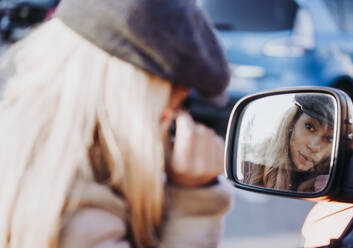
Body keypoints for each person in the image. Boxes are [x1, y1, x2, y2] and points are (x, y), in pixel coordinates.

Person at [0, 0, 233, 247]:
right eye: (171, 110)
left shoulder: (22, 151)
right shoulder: (81, 224)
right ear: (129, 105)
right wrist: (194, 202)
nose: (174, 127)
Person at [241, 94, 335, 192]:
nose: (313, 146)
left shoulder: (334, 177)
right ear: (292, 123)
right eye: (309, 127)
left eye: (329, 139)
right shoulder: (254, 163)